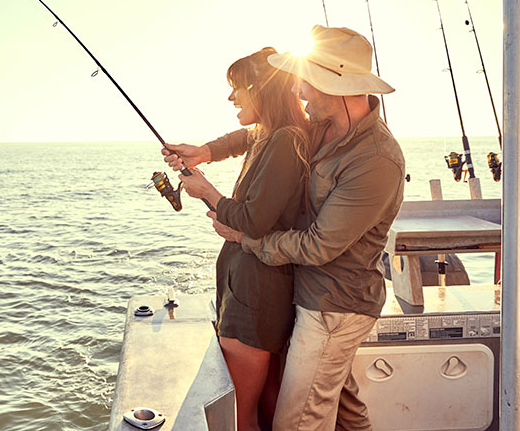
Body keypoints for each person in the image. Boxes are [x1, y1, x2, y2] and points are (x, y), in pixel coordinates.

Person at [209, 25, 405, 431]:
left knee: (300, 421)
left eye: (307, 84)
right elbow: (261, 132)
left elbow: (319, 246)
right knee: (344, 409)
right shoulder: (321, 125)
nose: (299, 92)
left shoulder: (376, 160)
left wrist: (249, 239)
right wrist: (210, 151)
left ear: (336, 87)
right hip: (306, 293)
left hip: (333, 306)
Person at [162, 47, 312, 431]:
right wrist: (203, 153)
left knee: (239, 412)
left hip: (255, 295)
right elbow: (242, 137)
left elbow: (254, 221)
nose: (231, 98)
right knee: (261, 406)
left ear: (260, 89)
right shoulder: (269, 133)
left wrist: (207, 192)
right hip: (245, 288)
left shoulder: (285, 140)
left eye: (237, 89)